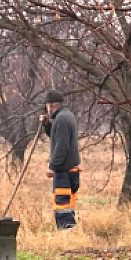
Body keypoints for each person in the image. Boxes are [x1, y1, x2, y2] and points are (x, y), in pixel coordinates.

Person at [43, 90, 80, 230]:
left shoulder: (61, 119)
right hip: (70, 169)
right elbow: (56, 135)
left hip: (64, 171)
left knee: (62, 207)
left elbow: (61, 146)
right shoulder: (66, 115)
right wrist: (47, 124)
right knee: (68, 206)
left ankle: (67, 237)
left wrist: (52, 166)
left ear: (50, 105)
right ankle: (71, 235)